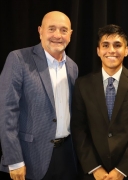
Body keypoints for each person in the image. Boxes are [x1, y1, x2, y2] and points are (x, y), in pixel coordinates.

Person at [0, 11, 78, 180]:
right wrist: (14, 161)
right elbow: (7, 113)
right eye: (51, 29)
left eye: (64, 30)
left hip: (67, 157)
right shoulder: (18, 59)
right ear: (40, 31)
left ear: (70, 35)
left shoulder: (73, 67)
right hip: (30, 158)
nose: (57, 35)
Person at [71, 24, 128, 180]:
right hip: (93, 173)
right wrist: (95, 168)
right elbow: (78, 128)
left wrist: (121, 170)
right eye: (105, 45)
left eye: (117, 45)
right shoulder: (83, 85)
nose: (111, 50)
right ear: (98, 51)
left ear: (126, 50)